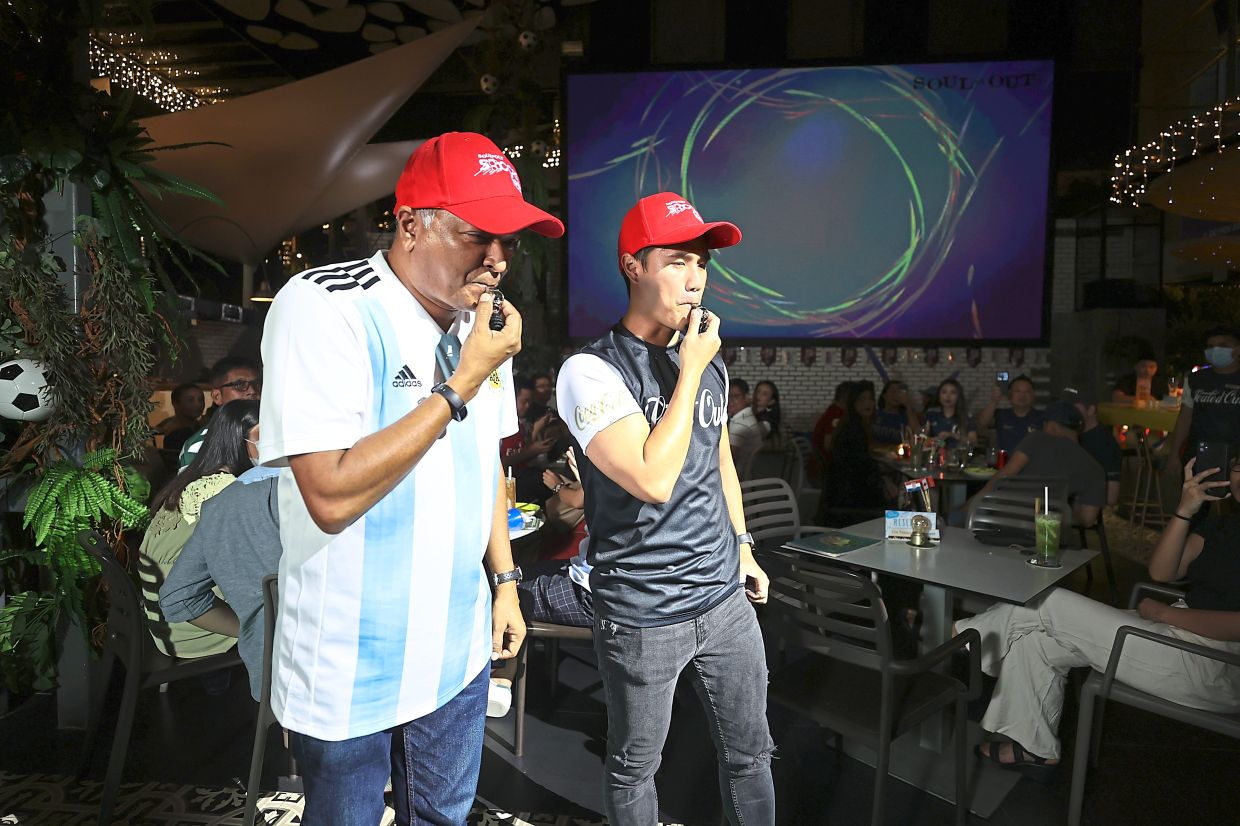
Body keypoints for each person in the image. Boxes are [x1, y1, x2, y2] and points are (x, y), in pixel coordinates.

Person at [257, 132, 562, 825]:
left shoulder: (483, 324)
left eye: (510, 241)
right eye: (477, 235)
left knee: (443, 818)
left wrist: (505, 583)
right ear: (410, 224)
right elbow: (330, 495)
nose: (497, 260)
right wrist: (460, 383)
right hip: (350, 658)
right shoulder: (326, 306)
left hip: (456, 646)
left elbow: (484, 460)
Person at [556, 191, 774, 825]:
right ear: (633, 266)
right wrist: (688, 371)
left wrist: (743, 545)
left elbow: (718, 460)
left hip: (723, 599)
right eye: (677, 261)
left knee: (752, 753)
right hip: (644, 609)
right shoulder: (591, 371)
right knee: (634, 767)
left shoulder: (706, 361)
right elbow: (652, 478)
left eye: (701, 264)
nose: (694, 280)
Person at [960, 456, 1240, 779]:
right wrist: (1185, 510)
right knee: (1033, 636)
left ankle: (963, 640)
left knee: (1047, 603)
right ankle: (1033, 746)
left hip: (1216, 664)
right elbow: (1161, 571)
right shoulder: (1223, 527)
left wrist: (1164, 613)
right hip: (1175, 633)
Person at [138, 399, 260, 658]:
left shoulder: (192, 479)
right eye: (263, 436)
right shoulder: (224, 491)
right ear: (237, 441)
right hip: (196, 624)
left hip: (162, 623)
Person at [159, 462, 282, 700]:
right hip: (186, 636)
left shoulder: (206, 492)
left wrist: (259, 630)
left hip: (162, 629)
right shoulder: (222, 488)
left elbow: (177, 595)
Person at [972, 401, 1106, 528]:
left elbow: (1003, 476)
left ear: (1052, 426)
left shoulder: (1036, 439)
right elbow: (1087, 520)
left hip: (1003, 523)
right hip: (1047, 538)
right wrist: (1055, 515)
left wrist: (970, 505)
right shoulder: (1095, 468)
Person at [1167, 327, 1240, 462]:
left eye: (1223, 346)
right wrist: (1173, 456)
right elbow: (1185, 418)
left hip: (1234, 458)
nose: (1215, 350)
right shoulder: (1195, 380)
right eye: (1210, 346)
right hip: (1198, 455)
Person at [819, 380, 890, 520]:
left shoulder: (856, 425)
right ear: (853, 403)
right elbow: (859, 468)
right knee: (912, 488)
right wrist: (885, 479)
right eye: (862, 399)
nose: (868, 403)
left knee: (910, 487)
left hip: (851, 491)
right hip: (851, 499)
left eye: (871, 399)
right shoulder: (852, 430)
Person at [178, 357, 262, 469]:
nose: (252, 391)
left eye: (257, 384)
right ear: (217, 396)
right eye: (240, 385)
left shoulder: (278, 433)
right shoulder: (198, 447)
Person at [1065, 386, 1122, 507]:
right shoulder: (1069, 435)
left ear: (1090, 410)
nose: (1068, 411)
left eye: (1074, 407)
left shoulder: (1105, 444)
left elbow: (1111, 497)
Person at [978, 374, 1043, 455]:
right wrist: (994, 400)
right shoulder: (1002, 414)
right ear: (1010, 395)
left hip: (1033, 464)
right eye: (1017, 391)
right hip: (1005, 463)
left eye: (1027, 392)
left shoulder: (1042, 417)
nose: (1022, 395)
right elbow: (982, 422)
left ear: (1033, 396)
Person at [925, 378, 978, 447]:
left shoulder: (966, 416)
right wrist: (937, 441)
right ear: (939, 395)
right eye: (944, 392)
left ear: (958, 396)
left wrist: (952, 435)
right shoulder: (931, 414)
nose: (948, 396)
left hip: (960, 455)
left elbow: (974, 442)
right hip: (936, 455)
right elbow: (924, 440)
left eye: (953, 392)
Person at [727, 377, 764, 473]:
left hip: (739, 477)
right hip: (750, 472)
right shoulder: (747, 416)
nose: (730, 401)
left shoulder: (740, 423)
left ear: (746, 397)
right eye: (727, 396)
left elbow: (729, 460)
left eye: (735, 396)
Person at [156, 382, 205, 454]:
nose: (198, 404)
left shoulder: (197, 425)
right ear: (175, 404)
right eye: (190, 400)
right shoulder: (178, 434)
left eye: (201, 400)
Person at [812, 381, 853, 463]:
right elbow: (828, 445)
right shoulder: (836, 415)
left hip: (822, 462)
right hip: (826, 466)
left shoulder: (833, 409)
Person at [873, 379, 918, 445]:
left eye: (899, 392)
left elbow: (917, 434)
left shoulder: (907, 415)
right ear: (884, 396)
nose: (897, 395)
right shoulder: (875, 414)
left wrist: (908, 406)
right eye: (893, 391)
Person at [752, 379, 788, 446]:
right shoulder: (750, 414)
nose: (758, 395)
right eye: (758, 391)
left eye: (764, 394)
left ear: (771, 401)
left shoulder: (766, 422)